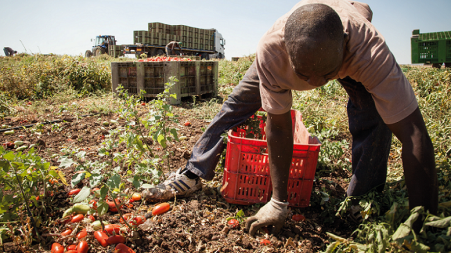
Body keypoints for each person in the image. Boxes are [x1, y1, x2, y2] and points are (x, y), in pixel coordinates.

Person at [144, 0, 438, 236]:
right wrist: (278, 201)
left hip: (349, 52)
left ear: (345, 46)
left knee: (373, 118)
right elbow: (280, 126)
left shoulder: (369, 51)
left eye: (325, 75)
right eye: (304, 74)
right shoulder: (273, 50)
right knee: (236, 104)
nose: (314, 82)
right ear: (288, 50)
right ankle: (194, 172)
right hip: (301, 48)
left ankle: (362, 200)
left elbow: (414, 135)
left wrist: (422, 221)